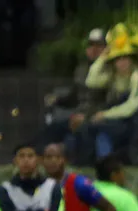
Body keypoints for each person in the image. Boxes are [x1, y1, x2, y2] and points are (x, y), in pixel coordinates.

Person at [85, 24, 138, 162]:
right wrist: (103, 57)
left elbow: (132, 106)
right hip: (120, 119)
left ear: (131, 58)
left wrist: (104, 115)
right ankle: (104, 163)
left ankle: (107, 164)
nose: (122, 62)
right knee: (92, 129)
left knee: (101, 127)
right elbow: (91, 81)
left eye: (125, 57)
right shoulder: (113, 75)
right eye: (118, 58)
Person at [42, 28, 109, 162]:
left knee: (76, 132)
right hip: (78, 114)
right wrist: (57, 99)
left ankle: (79, 166)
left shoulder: (109, 70)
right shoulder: (82, 69)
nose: (94, 50)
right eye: (91, 46)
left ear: (106, 49)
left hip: (96, 116)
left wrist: (86, 116)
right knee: (52, 129)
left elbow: (108, 101)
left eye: (99, 46)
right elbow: (74, 96)